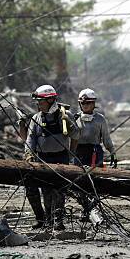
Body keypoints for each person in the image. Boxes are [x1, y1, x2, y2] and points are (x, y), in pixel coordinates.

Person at [25, 84, 79, 230]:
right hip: (42, 159)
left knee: (59, 191)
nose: (38, 105)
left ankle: (58, 221)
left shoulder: (65, 116)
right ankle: (46, 220)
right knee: (46, 190)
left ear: (50, 101)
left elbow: (76, 136)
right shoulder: (36, 118)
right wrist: (29, 154)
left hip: (60, 158)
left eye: (41, 102)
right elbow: (30, 139)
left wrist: (69, 123)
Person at [73, 88, 117, 168]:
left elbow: (106, 139)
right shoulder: (75, 118)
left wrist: (113, 153)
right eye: (83, 103)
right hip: (79, 154)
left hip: (95, 153)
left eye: (88, 103)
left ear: (93, 104)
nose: (85, 105)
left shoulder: (100, 119)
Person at [17, 109, 46, 228]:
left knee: (49, 190)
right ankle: (40, 218)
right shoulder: (35, 118)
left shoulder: (59, 116)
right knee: (31, 189)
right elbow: (26, 139)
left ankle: (52, 218)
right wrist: (22, 124)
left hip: (50, 158)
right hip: (34, 158)